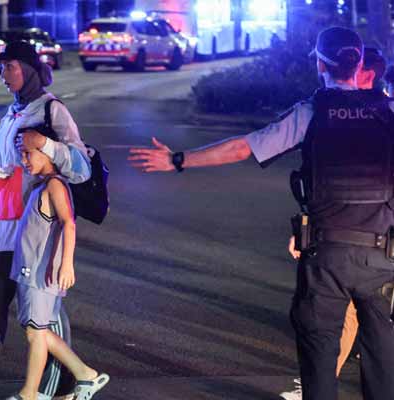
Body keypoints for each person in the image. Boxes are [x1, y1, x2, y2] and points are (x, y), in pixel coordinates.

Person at [128, 27, 394, 400]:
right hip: (381, 256)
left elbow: (243, 148)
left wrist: (178, 160)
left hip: (326, 257)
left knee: (319, 355)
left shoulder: (311, 113)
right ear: (361, 63)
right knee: (382, 356)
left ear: (320, 64)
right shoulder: (388, 113)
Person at [0, 41, 91, 400]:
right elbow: (9, 175)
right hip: (3, 225)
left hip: (36, 229)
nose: (2, 74)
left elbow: (81, 167)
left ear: (28, 68)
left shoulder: (52, 110)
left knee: (43, 313)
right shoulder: (11, 114)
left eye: (8, 66)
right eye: (0, 67)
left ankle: (62, 385)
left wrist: (47, 145)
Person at [278, 45, 388, 400]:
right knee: (368, 340)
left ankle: (319, 383)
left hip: (351, 251)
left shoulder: (362, 115)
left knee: (335, 333)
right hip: (369, 251)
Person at [5, 127, 109, 400]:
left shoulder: (54, 185)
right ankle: (85, 374)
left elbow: (68, 224)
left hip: (41, 273)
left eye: (28, 154)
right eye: (22, 155)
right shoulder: (42, 184)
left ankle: (30, 394)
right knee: (36, 331)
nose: (24, 160)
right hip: (34, 271)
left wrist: (66, 265)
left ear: (46, 152)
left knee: (35, 333)